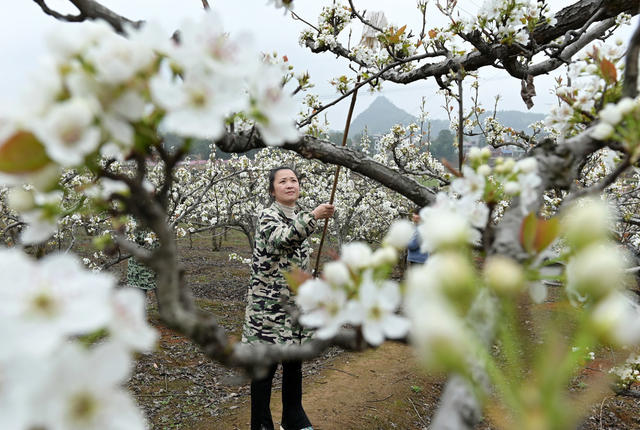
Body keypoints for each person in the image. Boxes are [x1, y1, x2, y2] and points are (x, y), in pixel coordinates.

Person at [242, 166, 334, 430]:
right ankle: (261, 424)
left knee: (293, 363)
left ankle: (293, 417)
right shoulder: (268, 216)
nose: (290, 184)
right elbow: (282, 240)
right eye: (283, 181)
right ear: (273, 190)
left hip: (294, 308)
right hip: (268, 310)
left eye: (294, 180)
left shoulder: (300, 216)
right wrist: (314, 216)